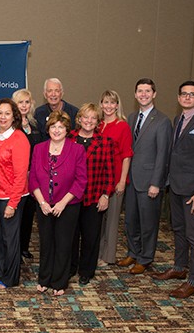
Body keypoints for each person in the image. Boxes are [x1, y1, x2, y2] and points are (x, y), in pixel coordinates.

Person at [153, 81, 194, 298]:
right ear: (178, 97)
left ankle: (193, 281)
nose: (187, 97)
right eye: (184, 94)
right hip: (175, 186)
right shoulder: (178, 119)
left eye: (192, 94)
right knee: (179, 230)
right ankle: (179, 268)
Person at [30, 111, 87, 296]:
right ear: (48, 129)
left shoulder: (77, 149)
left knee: (63, 244)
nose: (56, 130)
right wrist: (42, 202)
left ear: (67, 129)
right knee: (46, 243)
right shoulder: (39, 148)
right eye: (53, 127)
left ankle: (59, 282)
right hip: (43, 204)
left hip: (68, 205)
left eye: (61, 127)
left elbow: (81, 181)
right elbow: (33, 179)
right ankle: (44, 279)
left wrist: (62, 203)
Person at [119, 79, 172, 274]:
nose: (143, 94)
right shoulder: (132, 117)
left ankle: (145, 258)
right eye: (140, 91)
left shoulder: (162, 121)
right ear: (135, 94)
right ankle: (133, 252)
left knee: (148, 223)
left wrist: (156, 183)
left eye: (147, 91)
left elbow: (163, 154)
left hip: (150, 181)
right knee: (130, 220)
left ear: (154, 94)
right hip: (132, 179)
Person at [0, 98, 30, 290]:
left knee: (10, 239)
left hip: (9, 197)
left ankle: (11, 278)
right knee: (0, 237)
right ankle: (1, 270)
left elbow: (21, 175)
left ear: (14, 116)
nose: (3, 117)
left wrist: (13, 203)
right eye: (0, 113)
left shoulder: (19, 138)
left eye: (7, 113)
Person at [69, 103, 115, 285]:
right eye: (85, 117)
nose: (88, 121)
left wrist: (106, 195)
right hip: (70, 197)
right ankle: (70, 268)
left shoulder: (105, 142)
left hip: (94, 196)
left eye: (93, 118)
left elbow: (110, 173)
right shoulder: (69, 138)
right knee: (71, 236)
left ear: (97, 122)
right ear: (79, 119)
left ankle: (86, 271)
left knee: (91, 237)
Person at [97, 90, 133, 266]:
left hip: (115, 180)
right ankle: (97, 253)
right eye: (106, 102)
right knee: (98, 221)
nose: (109, 106)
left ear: (117, 105)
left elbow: (127, 155)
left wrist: (122, 181)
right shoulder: (98, 125)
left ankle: (108, 256)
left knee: (111, 221)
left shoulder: (122, 126)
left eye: (112, 102)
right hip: (98, 181)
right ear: (101, 104)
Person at [12, 88, 46, 261]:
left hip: (33, 178)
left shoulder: (35, 124)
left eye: (27, 102)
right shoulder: (10, 126)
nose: (24, 106)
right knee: (15, 215)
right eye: (20, 102)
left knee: (28, 214)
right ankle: (14, 249)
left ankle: (24, 247)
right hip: (16, 178)